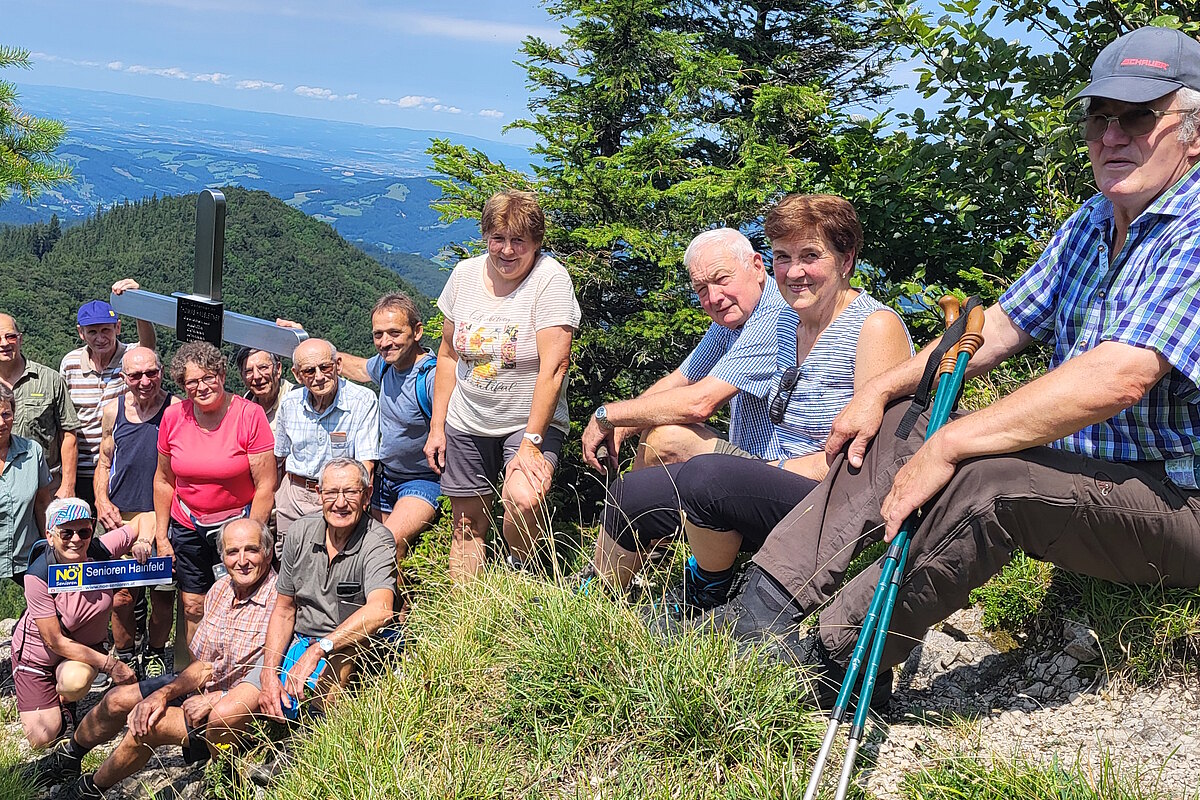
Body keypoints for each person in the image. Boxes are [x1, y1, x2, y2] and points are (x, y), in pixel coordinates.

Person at [704, 26, 1200, 711]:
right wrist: (878, 389)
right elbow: (998, 326)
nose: (1112, 135)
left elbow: (1119, 376)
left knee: (990, 476)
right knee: (904, 418)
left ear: (1193, 134)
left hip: (1178, 504)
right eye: (1099, 117)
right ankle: (759, 615)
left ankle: (829, 660)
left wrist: (954, 442)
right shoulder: (1093, 220)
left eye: (1139, 117)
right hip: (1095, 483)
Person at [591, 196, 913, 602]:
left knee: (707, 475)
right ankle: (595, 597)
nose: (795, 272)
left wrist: (611, 416)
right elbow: (685, 379)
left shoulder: (874, 326)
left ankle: (707, 592)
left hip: (828, 495)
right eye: (784, 257)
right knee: (632, 491)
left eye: (810, 256)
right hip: (769, 474)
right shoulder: (782, 320)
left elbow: (870, 458)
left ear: (845, 261)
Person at [26, 519, 278, 800]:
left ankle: (88, 790)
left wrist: (216, 697)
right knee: (116, 699)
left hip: (236, 713)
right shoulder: (220, 590)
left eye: (251, 550)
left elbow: (269, 673)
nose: (241, 560)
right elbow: (204, 665)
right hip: (205, 686)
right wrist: (164, 693)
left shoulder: (279, 604)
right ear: (222, 556)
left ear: (267, 552)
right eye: (232, 552)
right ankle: (67, 760)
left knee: (147, 727)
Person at [424, 190, 582, 581]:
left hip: (526, 420)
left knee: (524, 499)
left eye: (519, 241)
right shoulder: (464, 276)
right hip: (467, 418)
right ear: (485, 237)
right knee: (466, 527)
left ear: (537, 243)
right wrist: (437, 425)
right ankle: (464, 620)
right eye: (498, 238)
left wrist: (531, 443)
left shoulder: (549, 279)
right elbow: (447, 354)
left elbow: (556, 365)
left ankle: (519, 575)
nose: (507, 251)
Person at [580, 228, 792, 473]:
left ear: (757, 267)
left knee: (668, 439)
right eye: (702, 289)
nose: (714, 298)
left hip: (784, 471)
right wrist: (621, 427)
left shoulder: (775, 316)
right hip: (755, 461)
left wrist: (608, 415)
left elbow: (700, 403)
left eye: (722, 279)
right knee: (656, 422)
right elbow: (680, 381)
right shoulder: (731, 321)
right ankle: (627, 506)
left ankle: (624, 508)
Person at [256, 458, 398, 723]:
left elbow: (381, 610)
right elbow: (284, 609)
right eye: (331, 492)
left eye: (350, 493)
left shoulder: (377, 541)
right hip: (299, 641)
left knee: (326, 689)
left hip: (348, 644)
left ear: (367, 496)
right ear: (319, 495)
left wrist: (321, 648)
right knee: (241, 706)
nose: (340, 503)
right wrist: (268, 672)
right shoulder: (299, 533)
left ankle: (304, 752)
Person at [155, 341, 276, 649]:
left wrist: (253, 536)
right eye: (191, 382)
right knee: (194, 605)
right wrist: (161, 535)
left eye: (209, 377)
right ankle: (199, 677)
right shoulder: (173, 417)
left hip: (236, 525)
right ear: (182, 385)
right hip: (188, 524)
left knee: (241, 600)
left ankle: (237, 670)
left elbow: (264, 485)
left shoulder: (249, 415)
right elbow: (164, 479)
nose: (202, 386)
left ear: (222, 375)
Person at [11, 499, 153, 751]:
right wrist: (112, 665)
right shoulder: (38, 574)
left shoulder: (98, 550)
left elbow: (147, 517)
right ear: (50, 535)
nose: (76, 539)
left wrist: (142, 542)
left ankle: (67, 698)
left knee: (74, 682)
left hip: (83, 651)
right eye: (66, 532)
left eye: (84, 531)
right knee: (42, 738)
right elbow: (54, 640)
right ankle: (52, 698)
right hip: (38, 656)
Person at [94, 346, 178, 679]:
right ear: (123, 377)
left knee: (161, 594)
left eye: (151, 373)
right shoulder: (113, 412)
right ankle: (126, 654)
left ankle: (156, 653)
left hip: (163, 518)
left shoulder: (175, 409)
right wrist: (101, 499)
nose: (144, 381)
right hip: (121, 517)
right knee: (121, 596)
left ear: (161, 372)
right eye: (136, 375)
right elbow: (104, 462)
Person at [338, 292, 442, 557]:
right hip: (386, 479)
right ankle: (396, 599)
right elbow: (359, 368)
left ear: (417, 332)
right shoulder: (386, 366)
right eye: (378, 334)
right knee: (383, 555)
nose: (385, 342)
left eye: (394, 333)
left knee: (386, 543)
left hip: (422, 480)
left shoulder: (430, 379)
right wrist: (310, 343)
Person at [274, 338, 380, 548]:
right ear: (297, 374)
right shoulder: (289, 403)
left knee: (335, 559)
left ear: (338, 365)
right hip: (294, 495)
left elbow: (366, 463)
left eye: (325, 367)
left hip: (339, 497)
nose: (319, 377)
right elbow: (280, 457)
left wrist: (357, 500)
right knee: (289, 557)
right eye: (309, 371)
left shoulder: (363, 401)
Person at [59, 280, 156, 506]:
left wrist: (138, 300)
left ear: (118, 328)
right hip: (79, 469)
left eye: (106, 330)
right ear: (81, 333)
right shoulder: (70, 363)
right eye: (92, 332)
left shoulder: (130, 357)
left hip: (118, 466)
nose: (100, 338)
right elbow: (63, 416)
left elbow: (148, 346)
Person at [0, 312, 82, 498]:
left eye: (10, 336)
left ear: (20, 339)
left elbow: (68, 434)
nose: (4, 343)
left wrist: (68, 486)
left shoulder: (50, 380)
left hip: (46, 486)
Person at [0, 382, 53, 584]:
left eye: (6, 414)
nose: (1, 423)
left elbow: (42, 504)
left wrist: (51, 546)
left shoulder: (32, 452)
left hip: (26, 559)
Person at [237, 347, 294, 432]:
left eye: (263, 367)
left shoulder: (297, 401)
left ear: (278, 369)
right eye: (249, 371)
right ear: (242, 376)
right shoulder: (245, 404)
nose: (257, 376)